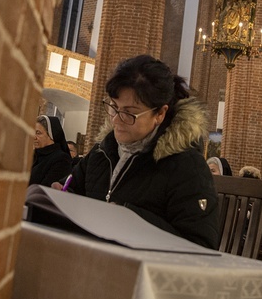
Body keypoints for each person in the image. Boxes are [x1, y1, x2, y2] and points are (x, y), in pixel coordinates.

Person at [52, 54, 219, 249]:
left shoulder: (186, 166)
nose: (116, 119)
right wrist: (60, 197)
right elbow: (72, 188)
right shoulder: (103, 151)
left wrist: (128, 217)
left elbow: (200, 245)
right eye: (114, 107)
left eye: (129, 113)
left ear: (160, 113)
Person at [29, 115, 72, 186]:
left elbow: (45, 189)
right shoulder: (33, 155)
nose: (34, 137)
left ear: (51, 135)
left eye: (38, 133)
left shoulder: (62, 160)